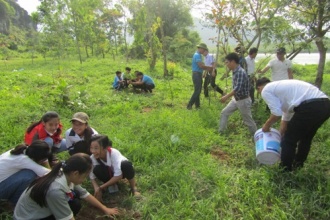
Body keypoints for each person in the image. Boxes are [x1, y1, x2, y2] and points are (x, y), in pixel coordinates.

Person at [256, 77, 330, 171]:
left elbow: (276, 113)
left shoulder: (266, 90)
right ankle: (298, 165)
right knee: (306, 138)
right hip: (325, 105)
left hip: (310, 106)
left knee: (289, 139)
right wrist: (281, 131)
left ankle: (285, 170)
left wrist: (266, 125)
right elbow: (286, 113)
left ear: (259, 88)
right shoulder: (282, 89)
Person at [14, 153, 119, 220]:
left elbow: (84, 194)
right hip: (28, 217)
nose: (85, 179)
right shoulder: (55, 190)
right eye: (86, 175)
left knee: (75, 203)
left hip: (37, 210)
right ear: (76, 173)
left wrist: (104, 208)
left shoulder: (65, 173)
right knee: (72, 205)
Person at [89, 135, 141, 200]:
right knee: (96, 169)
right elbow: (91, 175)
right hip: (110, 173)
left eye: (96, 148)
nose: (93, 151)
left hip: (121, 172)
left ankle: (133, 188)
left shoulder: (113, 153)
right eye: (91, 148)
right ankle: (111, 184)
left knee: (126, 165)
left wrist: (101, 187)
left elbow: (119, 175)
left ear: (105, 148)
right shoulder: (93, 157)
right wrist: (96, 187)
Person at [0, 140, 50, 205]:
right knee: (29, 175)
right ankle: (13, 203)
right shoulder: (24, 160)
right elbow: (47, 173)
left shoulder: (20, 150)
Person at [219, 53, 257, 136]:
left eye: (227, 62)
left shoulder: (240, 72)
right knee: (224, 112)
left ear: (232, 62)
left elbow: (237, 88)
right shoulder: (235, 71)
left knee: (248, 121)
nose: (226, 64)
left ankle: (256, 137)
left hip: (243, 100)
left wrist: (226, 97)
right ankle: (221, 132)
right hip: (236, 99)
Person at [187, 43, 213, 109]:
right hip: (196, 74)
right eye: (203, 50)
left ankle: (197, 106)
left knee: (197, 90)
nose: (204, 51)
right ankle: (189, 105)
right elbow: (201, 66)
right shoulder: (197, 55)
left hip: (198, 74)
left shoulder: (198, 55)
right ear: (200, 48)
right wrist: (209, 68)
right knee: (197, 91)